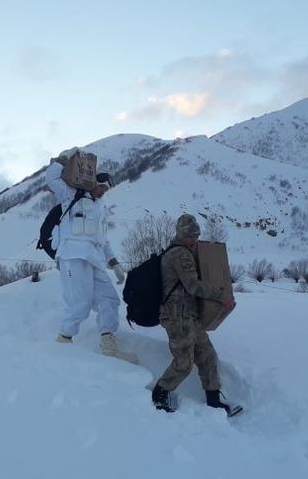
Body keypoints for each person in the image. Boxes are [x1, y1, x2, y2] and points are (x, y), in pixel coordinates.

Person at [45, 148, 138, 364]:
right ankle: (63, 341)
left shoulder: (101, 208)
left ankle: (108, 344)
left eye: (107, 189)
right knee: (79, 302)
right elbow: (51, 177)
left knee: (109, 299)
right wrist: (64, 159)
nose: (104, 191)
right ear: (92, 182)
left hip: (95, 259)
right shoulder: (70, 195)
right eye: (101, 186)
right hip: (72, 255)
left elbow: (102, 241)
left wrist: (114, 263)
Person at [152, 214, 242, 416]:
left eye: (196, 235)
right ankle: (159, 394)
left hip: (189, 317)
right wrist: (221, 296)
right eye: (191, 236)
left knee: (207, 356)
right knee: (184, 363)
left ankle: (213, 401)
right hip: (178, 317)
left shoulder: (180, 252)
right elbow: (193, 286)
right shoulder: (180, 255)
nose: (194, 240)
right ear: (181, 235)